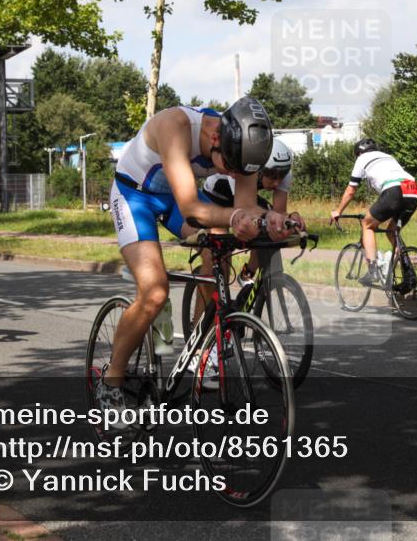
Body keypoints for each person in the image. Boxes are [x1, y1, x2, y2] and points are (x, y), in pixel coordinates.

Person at [100, 98, 304, 420]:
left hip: (168, 198)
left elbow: (248, 206)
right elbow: (193, 208)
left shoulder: (240, 149)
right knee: (154, 291)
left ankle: (200, 347)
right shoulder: (175, 126)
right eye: (231, 170)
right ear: (214, 140)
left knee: (220, 250)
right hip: (134, 196)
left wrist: (271, 220)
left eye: (243, 173)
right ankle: (110, 381)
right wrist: (238, 215)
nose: (236, 176)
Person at [202, 137, 298, 281]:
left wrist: (290, 220)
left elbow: (279, 213)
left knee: (270, 226)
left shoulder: (283, 171)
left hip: (241, 198)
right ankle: (218, 296)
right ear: (259, 169)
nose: (277, 182)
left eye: (281, 177)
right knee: (223, 256)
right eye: (272, 176)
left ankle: (248, 273)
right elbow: (243, 208)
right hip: (217, 196)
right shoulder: (245, 168)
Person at [329, 138, 417, 285]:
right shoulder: (388, 157)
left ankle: (373, 271)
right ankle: (409, 275)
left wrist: (338, 211)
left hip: (394, 191)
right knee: (392, 232)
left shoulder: (361, 159)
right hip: (412, 190)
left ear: (358, 153)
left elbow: (351, 190)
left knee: (367, 224)